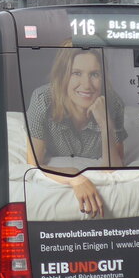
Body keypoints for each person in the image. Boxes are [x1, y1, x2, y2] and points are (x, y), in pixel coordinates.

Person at [25, 47, 126, 218]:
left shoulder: (113, 102)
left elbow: (113, 168)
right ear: (63, 77)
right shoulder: (42, 98)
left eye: (94, 74)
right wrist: (74, 177)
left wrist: (105, 125)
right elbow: (33, 165)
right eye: (76, 73)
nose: (86, 85)